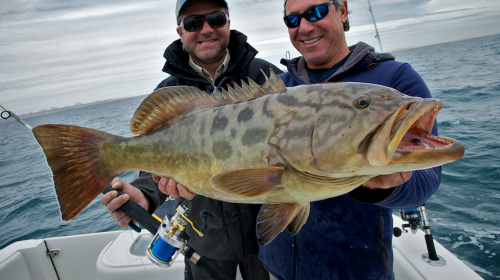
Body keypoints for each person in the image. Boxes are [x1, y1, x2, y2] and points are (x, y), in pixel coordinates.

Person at [257, 0, 442, 280]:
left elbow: (428, 178)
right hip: (276, 271)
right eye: (292, 20)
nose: (304, 27)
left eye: (315, 12)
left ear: (342, 10)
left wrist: (386, 187)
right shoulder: (276, 90)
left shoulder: (395, 79)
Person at [100, 0, 281, 279]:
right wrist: (143, 196)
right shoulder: (169, 92)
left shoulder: (266, 77)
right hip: (202, 242)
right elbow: (154, 163)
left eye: (216, 19)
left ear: (228, 24)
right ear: (180, 32)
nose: (206, 29)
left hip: (269, 240)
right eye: (193, 23)